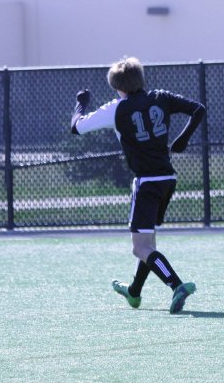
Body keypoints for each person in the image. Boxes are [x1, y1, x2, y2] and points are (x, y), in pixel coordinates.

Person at [70, 57, 204, 314]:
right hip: (168, 179)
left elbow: (76, 127)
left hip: (146, 183)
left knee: (140, 248)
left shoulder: (116, 108)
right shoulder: (160, 97)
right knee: (148, 244)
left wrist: (81, 103)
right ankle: (134, 292)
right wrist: (182, 140)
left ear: (117, 87)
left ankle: (176, 285)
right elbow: (198, 109)